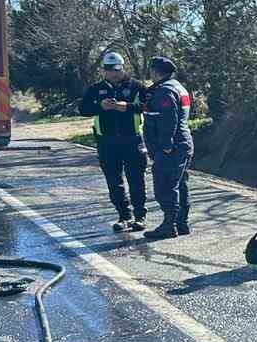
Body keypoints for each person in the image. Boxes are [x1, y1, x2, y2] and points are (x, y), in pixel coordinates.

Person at [78, 51, 148, 233]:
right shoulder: (96, 88)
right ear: (103, 70)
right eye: (109, 70)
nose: (113, 73)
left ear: (122, 68)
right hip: (107, 142)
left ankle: (140, 216)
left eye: (116, 69)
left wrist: (127, 107)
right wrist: (100, 107)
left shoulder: (136, 86)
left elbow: (148, 106)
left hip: (132, 139)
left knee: (136, 179)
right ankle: (124, 216)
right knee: (113, 181)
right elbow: (83, 109)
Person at [141, 57, 194, 241]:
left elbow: (169, 119)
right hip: (183, 144)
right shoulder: (177, 87)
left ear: (156, 71)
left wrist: (166, 145)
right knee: (180, 184)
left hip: (172, 147)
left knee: (165, 186)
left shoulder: (165, 91)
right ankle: (181, 223)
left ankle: (169, 225)